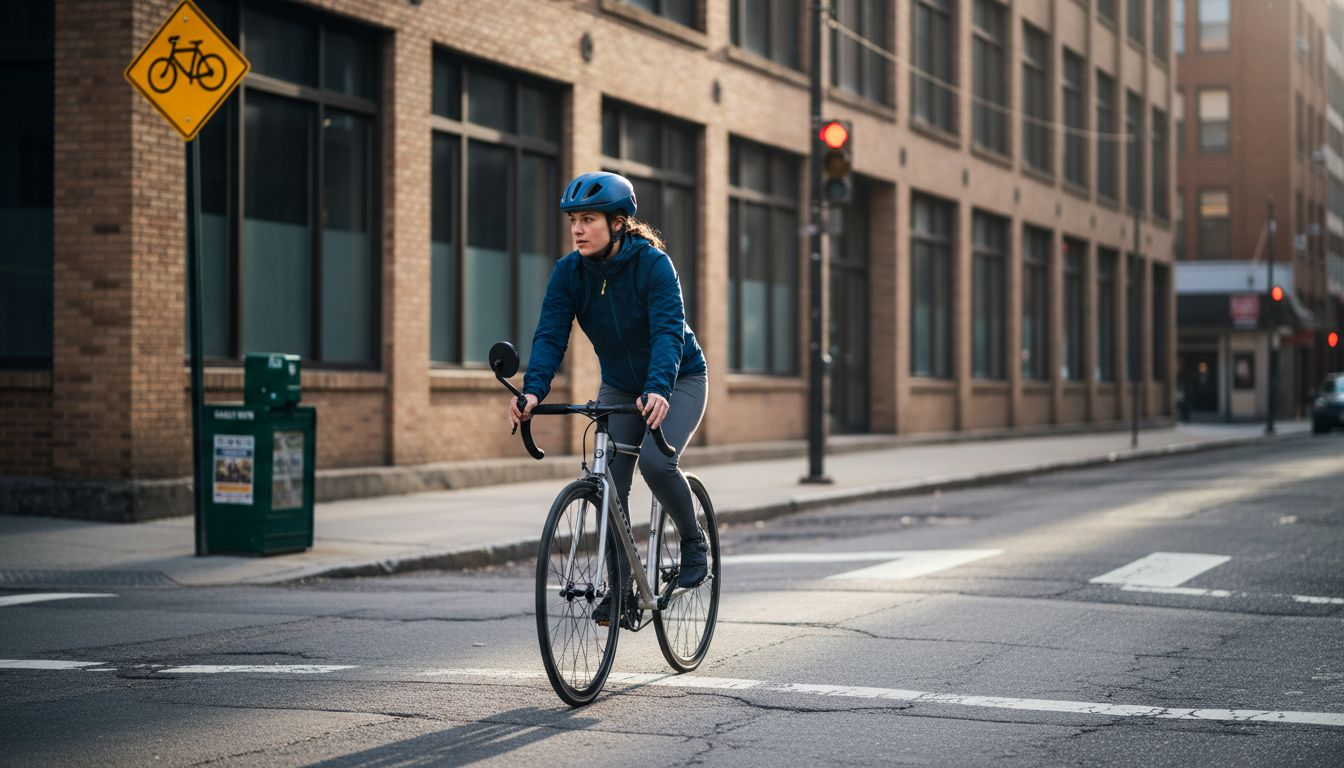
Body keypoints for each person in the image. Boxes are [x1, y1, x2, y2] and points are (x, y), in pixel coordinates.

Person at [507, 171, 709, 626]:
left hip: (679, 378)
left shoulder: (654, 266)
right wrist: (533, 390)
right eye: (573, 221)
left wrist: (658, 388)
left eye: (588, 220)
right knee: (609, 486)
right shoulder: (569, 273)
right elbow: (550, 335)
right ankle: (621, 588)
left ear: (618, 223)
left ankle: (693, 542)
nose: (577, 229)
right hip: (620, 385)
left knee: (657, 463)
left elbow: (667, 334)